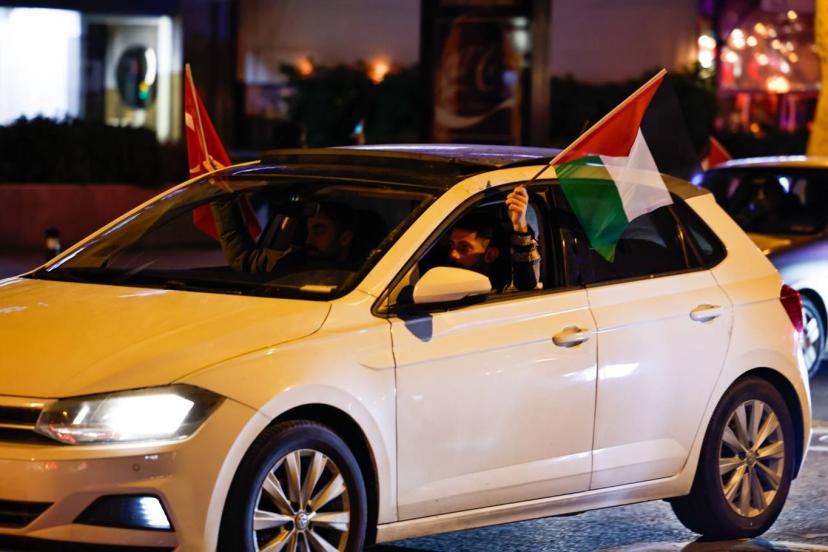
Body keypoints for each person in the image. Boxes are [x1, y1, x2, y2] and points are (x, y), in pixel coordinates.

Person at [211, 197, 356, 275]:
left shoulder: (361, 283)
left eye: (318, 231)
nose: (308, 240)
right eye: (307, 231)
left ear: (345, 238)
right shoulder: (289, 261)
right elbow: (242, 258)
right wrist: (222, 196)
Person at [446, 186, 540, 291]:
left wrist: (520, 226)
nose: (453, 254)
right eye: (452, 245)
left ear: (490, 255)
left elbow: (525, 287)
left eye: (464, 248)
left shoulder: (498, 292)